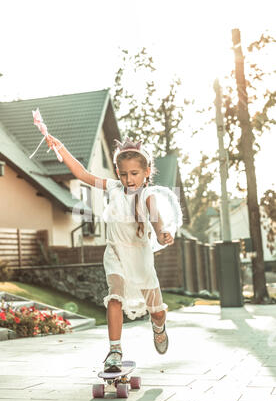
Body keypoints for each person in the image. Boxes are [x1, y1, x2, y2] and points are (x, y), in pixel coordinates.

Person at [44, 135, 182, 372]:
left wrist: (162, 235)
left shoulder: (148, 197)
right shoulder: (113, 187)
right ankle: (115, 350)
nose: (129, 179)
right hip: (115, 253)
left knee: (157, 312)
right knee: (114, 298)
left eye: (135, 174)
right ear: (118, 173)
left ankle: (158, 326)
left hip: (140, 260)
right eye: (124, 174)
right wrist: (61, 147)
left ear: (147, 172)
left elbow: (157, 223)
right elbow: (83, 175)